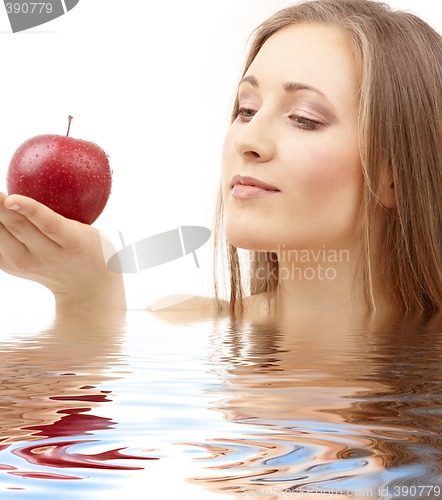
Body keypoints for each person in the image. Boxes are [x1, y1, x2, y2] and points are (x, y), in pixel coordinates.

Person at [0, 0, 441, 318]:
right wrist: (86, 295)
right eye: (246, 109)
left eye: (303, 118)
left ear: (395, 178)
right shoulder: (183, 325)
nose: (248, 138)